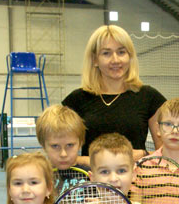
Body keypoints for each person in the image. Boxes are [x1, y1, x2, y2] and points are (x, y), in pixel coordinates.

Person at [62, 25, 165, 161]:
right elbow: (61, 156)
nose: (115, 60)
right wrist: (96, 161)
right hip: (93, 180)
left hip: (136, 180)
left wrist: (144, 155)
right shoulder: (76, 100)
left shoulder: (149, 97)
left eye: (121, 52)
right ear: (95, 60)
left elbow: (165, 153)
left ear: (130, 56)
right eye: (106, 53)